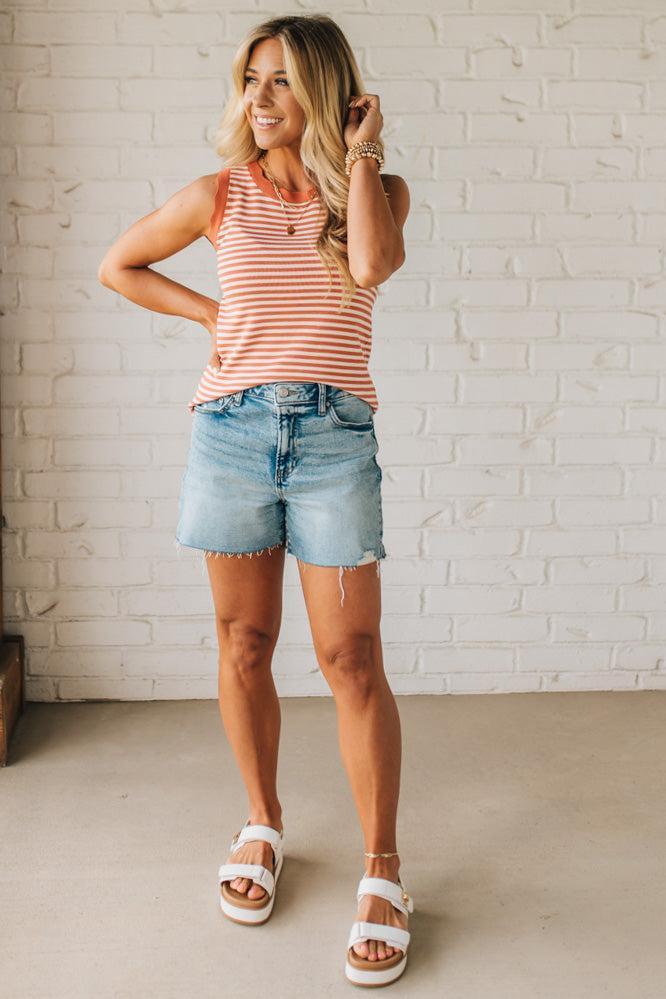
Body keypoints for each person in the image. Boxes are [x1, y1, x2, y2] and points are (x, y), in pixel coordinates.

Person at [97, 13, 412, 988]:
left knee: (349, 657)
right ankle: (263, 823)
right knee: (243, 645)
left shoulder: (378, 191)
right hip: (231, 436)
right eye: (250, 80)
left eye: (281, 81)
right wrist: (211, 316)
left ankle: (384, 869)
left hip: (331, 441)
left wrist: (360, 155)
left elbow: (371, 267)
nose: (259, 99)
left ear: (326, 90)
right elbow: (119, 265)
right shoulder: (217, 196)